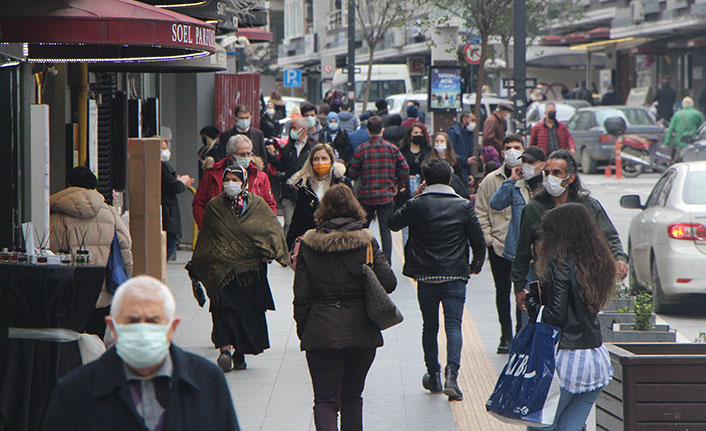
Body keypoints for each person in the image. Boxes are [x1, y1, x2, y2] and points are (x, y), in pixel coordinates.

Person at [42, 276, 241, 431]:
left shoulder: (208, 382)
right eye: (133, 321)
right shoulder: (75, 392)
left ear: (172, 327)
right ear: (114, 327)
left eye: (153, 321)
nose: (143, 330)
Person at [293, 184, 396, 431]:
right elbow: (389, 283)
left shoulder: (308, 243)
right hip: (361, 331)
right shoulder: (367, 241)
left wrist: (303, 328)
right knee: (352, 398)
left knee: (326, 401)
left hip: (320, 330)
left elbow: (301, 296)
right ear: (355, 207)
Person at [388, 159, 486, 402]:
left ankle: (434, 376)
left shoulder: (418, 204)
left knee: (429, 326)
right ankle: (452, 374)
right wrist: (476, 264)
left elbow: (392, 223)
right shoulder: (463, 206)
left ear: (425, 181)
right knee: (453, 325)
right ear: (450, 179)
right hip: (455, 274)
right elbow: (478, 240)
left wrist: (413, 196)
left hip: (426, 276)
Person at [525, 204, 617, 431]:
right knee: (570, 426)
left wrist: (532, 304)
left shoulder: (560, 263)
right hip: (594, 357)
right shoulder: (597, 261)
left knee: (540, 424)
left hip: (565, 361)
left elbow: (555, 315)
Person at [189, 165, 288, 372]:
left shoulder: (257, 205)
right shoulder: (215, 207)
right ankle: (224, 351)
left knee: (246, 312)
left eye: (235, 179)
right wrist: (199, 263)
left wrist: (272, 252)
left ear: (244, 183)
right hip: (222, 271)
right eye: (228, 179)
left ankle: (240, 354)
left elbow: (271, 230)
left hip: (251, 273)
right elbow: (207, 238)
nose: (230, 184)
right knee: (222, 310)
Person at [511, 150, 629, 319]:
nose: (550, 177)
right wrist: (518, 287)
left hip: (584, 287)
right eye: (547, 173)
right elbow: (522, 253)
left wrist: (619, 259)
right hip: (548, 288)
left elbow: (609, 237)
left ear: (571, 178)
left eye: (557, 173)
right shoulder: (533, 210)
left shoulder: (588, 206)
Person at [49, 167, 133, 338]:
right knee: (96, 342)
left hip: (70, 292)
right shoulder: (109, 212)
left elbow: (52, 248)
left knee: (71, 340)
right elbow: (125, 246)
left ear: (69, 184)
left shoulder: (56, 213)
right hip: (101, 290)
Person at [475, 135, 525, 353]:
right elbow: (480, 212)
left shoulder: (530, 179)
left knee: (523, 292)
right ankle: (506, 334)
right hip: (499, 246)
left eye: (516, 147)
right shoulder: (490, 180)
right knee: (502, 291)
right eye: (508, 148)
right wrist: (489, 240)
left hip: (524, 248)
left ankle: (522, 333)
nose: (512, 151)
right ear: (501, 152)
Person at [348, 115, 410, 263]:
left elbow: (353, 173)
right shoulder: (392, 149)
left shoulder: (361, 150)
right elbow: (405, 168)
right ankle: (386, 262)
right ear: (382, 130)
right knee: (385, 231)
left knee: (363, 229)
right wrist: (398, 184)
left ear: (368, 131)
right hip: (386, 196)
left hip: (366, 196)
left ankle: (360, 258)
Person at [193, 134, 277, 228]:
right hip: (219, 231)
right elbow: (199, 203)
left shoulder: (260, 176)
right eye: (241, 154)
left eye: (249, 153)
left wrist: (265, 228)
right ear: (230, 155)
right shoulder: (212, 174)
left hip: (252, 232)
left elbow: (270, 205)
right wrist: (205, 227)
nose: (246, 157)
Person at [286, 143, 351, 248]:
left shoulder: (341, 182)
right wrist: (289, 246)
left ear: (331, 160)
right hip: (310, 240)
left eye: (324, 158)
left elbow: (352, 212)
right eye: (316, 159)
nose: (320, 162)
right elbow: (298, 217)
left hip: (336, 240)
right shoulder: (305, 185)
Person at [159, 138, 194, 261]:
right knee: (169, 246)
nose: (165, 151)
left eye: (165, 148)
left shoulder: (162, 167)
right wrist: (182, 182)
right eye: (162, 148)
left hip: (167, 211)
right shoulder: (161, 167)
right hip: (167, 211)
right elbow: (173, 186)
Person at [428, 132, 470, 199]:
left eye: (442, 141)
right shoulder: (429, 160)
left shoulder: (455, 160)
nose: (439, 143)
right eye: (436, 141)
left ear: (447, 143)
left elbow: (460, 178)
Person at [447, 112, 476, 183]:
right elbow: (451, 152)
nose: (474, 123)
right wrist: (465, 161)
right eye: (472, 120)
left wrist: (470, 173)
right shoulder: (454, 132)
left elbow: (469, 152)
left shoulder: (469, 133)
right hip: (457, 171)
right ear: (464, 119)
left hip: (465, 172)